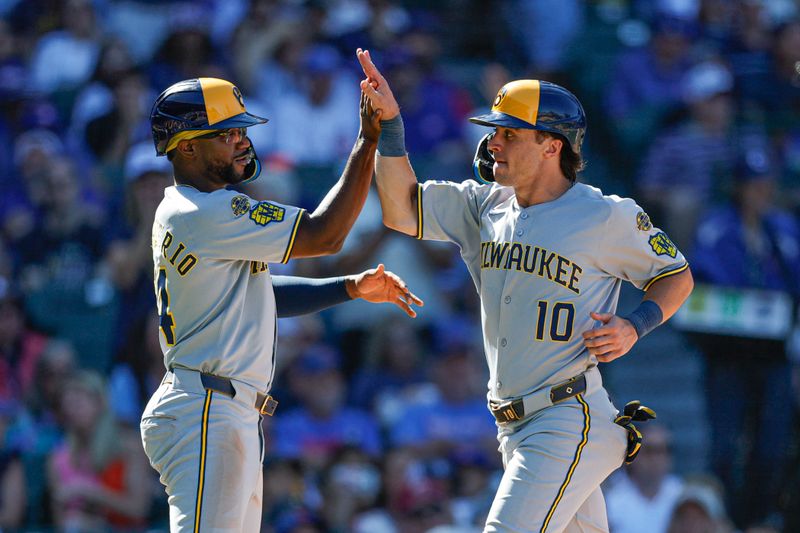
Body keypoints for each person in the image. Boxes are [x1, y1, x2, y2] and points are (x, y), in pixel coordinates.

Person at [357, 48, 694, 532]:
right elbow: (401, 210)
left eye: (508, 133)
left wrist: (636, 326)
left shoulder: (605, 214)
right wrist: (390, 126)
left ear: (551, 146)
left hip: (565, 417)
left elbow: (676, 274)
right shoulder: (484, 205)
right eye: (494, 131)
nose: (493, 142)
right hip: (513, 424)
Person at [139, 74, 422, 531]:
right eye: (226, 134)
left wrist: (348, 287)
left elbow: (257, 298)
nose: (241, 142)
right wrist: (368, 140)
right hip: (209, 407)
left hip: (217, 405)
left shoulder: (187, 209)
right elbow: (325, 234)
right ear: (186, 147)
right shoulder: (208, 211)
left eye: (242, 130)